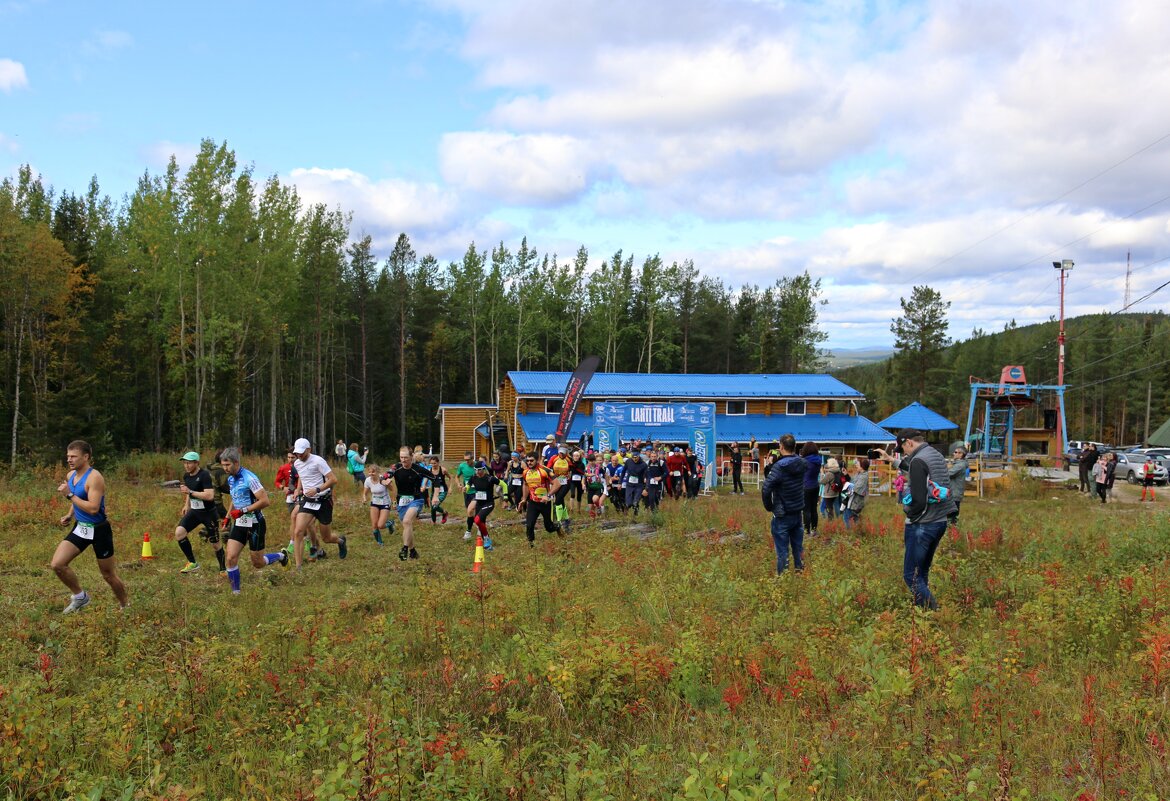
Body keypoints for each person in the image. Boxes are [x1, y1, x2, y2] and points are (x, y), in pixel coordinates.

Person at [52, 440, 129, 613]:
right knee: (58, 564)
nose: (70, 460)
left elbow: (93, 508)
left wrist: (69, 495)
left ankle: (125, 605)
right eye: (68, 456)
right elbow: (79, 498)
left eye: (74, 456)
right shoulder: (70, 475)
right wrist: (69, 514)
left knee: (108, 575)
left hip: (99, 530)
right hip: (81, 528)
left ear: (86, 457)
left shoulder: (95, 478)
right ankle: (80, 597)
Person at [893, 428, 956, 610]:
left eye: (903, 449)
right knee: (922, 572)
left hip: (922, 524)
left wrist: (910, 514)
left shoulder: (918, 460)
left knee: (910, 575)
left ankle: (933, 611)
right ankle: (923, 614)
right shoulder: (935, 455)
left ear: (909, 443)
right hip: (939, 521)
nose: (903, 453)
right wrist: (893, 461)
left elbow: (919, 499)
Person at [220, 447, 288, 594]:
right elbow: (235, 498)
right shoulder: (231, 478)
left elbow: (265, 501)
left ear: (236, 462)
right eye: (223, 465)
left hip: (255, 524)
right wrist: (227, 516)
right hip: (239, 523)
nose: (225, 468)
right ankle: (236, 594)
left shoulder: (250, 478)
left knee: (257, 563)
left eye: (227, 465)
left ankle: (281, 556)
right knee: (230, 557)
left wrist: (243, 510)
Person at [291, 438, 346, 567]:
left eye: (302, 453)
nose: (299, 455)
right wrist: (298, 490)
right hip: (308, 501)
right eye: (297, 453)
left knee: (326, 538)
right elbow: (302, 477)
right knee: (298, 531)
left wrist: (317, 489)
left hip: (323, 501)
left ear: (309, 450)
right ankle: (298, 567)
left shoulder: (318, 461)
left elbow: (333, 479)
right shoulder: (297, 464)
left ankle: (341, 541)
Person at [760, 434, 807, 574]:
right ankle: (799, 573)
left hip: (782, 513)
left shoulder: (779, 467)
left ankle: (783, 580)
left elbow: (766, 488)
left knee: (782, 551)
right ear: (794, 446)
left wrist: (769, 506)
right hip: (797, 511)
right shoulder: (802, 463)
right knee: (798, 548)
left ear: (781, 447)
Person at [174, 450, 225, 574]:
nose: (186, 466)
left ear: (196, 463)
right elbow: (188, 492)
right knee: (179, 533)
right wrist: (187, 505)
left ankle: (223, 569)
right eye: (185, 463)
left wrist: (190, 492)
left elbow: (209, 496)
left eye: (189, 463)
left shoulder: (204, 475)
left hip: (209, 513)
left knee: (215, 543)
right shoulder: (186, 476)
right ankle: (192, 563)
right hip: (195, 512)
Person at [388, 446, 432, 560]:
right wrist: (384, 480)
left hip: (416, 499)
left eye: (406, 457)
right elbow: (387, 475)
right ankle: (413, 551)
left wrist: (436, 494)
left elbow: (434, 478)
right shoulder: (396, 467)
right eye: (401, 457)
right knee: (407, 526)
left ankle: (405, 549)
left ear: (411, 457)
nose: (403, 460)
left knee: (407, 521)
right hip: (401, 501)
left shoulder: (418, 469)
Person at [519, 453, 561, 545]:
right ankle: (531, 546)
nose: (529, 463)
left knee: (549, 528)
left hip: (545, 503)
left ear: (537, 460)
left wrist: (548, 495)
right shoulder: (525, 472)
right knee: (529, 525)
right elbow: (525, 485)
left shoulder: (544, 470)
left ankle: (557, 527)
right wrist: (524, 499)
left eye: (531, 461)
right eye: (528, 461)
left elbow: (557, 484)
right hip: (533, 502)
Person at [465, 460, 498, 550]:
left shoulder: (490, 478)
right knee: (480, 522)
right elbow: (468, 484)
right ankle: (488, 545)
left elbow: (503, 484)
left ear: (483, 469)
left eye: (479, 470)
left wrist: (506, 497)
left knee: (477, 520)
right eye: (475, 470)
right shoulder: (474, 477)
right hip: (479, 502)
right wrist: (466, 488)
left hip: (489, 503)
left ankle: (487, 539)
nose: (477, 472)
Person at [364, 463, 394, 545]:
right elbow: (365, 492)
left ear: (378, 472)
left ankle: (390, 523)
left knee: (380, 525)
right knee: (374, 525)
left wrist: (388, 484)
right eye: (369, 472)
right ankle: (380, 543)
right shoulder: (367, 480)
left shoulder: (383, 478)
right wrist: (364, 498)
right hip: (374, 503)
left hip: (385, 502)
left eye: (373, 472)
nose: (371, 474)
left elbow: (392, 489)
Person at [547, 444, 573, 531]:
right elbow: (548, 468)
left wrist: (570, 474)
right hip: (556, 482)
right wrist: (551, 477)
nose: (561, 454)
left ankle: (559, 520)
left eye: (563, 453)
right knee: (560, 501)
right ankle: (566, 519)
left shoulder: (568, 459)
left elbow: (573, 468)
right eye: (560, 452)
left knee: (558, 500)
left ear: (566, 452)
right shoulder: (554, 458)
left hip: (566, 482)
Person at [800, 443, 822, 535]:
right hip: (815, 486)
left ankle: (807, 531)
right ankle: (814, 530)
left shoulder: (804, 461)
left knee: (806, 510)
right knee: (814, 509)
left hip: (806, 486)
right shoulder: (818, 460)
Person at [842, 458, 869, 530]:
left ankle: (849, 532)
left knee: (847, 516)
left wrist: (845, 492)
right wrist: (846, 474)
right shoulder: (859, 474)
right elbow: (852, 481)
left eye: (858, 464)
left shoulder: (864, 476)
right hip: (852, 500)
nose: (856, 465)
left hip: (856, 502)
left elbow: (856, 488)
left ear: (862, 467)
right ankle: (859, 531)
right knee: (854, 517)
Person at [455, 452, 477, 540]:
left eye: (468, 460)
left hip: (477, 492)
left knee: (470, 510)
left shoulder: (477, 465)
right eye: (465, 460)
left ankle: (468, 531)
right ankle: (479, 524)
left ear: (472, 459)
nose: (466, 462)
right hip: (467, 491)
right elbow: (456, 476)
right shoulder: (462, 466)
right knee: (470, 512)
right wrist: (458, 484)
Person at [622, 448, 649, 516]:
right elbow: (623, 472)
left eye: (636, 457)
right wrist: (620, 482)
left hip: (639, 485)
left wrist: (646, 488)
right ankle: (626, 511)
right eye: (633, 458)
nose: (634, 459)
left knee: (635, 502)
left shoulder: (644, 465)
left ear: (639, 456)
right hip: (629, 485)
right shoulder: (628, 461)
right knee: (628, 503)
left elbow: (647, 477)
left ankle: (635, 516)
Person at [947, 446, 968, 526]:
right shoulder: (957, 464)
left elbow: (949, 474)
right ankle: (952, 532)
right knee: (951, 515)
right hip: (953, 492)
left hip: (955, 493)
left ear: (961, 454)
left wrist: (946, 468)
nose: (954, 454)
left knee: (952, 517)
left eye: (956, 452)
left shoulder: (960, 465)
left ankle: (953, 533)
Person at [427, 456, 451, 524]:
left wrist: (450, 488)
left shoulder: (443, 470)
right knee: (432, 508)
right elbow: (426, 478)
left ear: (438, 462)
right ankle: (434, 522)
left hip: (443, 491)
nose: (433, 465)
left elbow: (450, 478)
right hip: (434, 491)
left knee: (435, 506)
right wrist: (423, 486)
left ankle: (444, 513)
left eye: (434, 463)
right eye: (431, 464)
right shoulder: (430, 471)